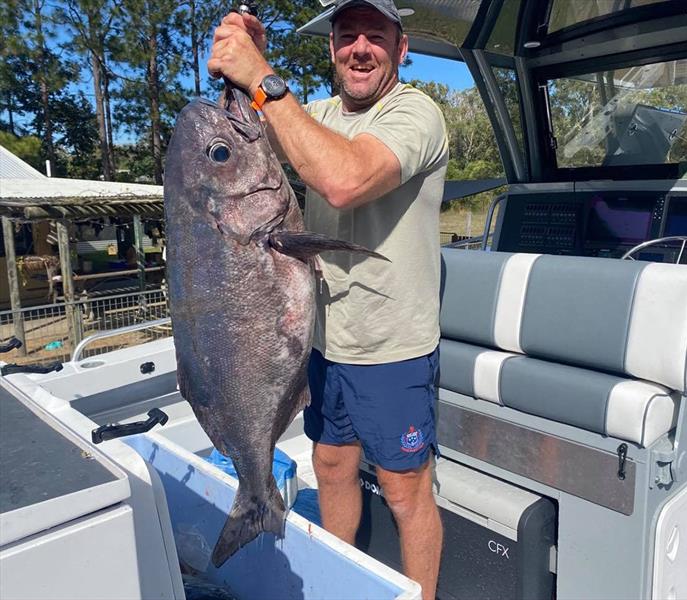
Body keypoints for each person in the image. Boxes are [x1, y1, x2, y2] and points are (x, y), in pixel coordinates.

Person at [208, 1, 447, 598]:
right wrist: (237, 69)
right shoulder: (309, 114)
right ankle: (342, 585)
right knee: (332, 469)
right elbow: (225, 147)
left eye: (376, 35)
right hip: (317, 342)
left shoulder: (415, 114)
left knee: (405, 490)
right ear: (333, 47)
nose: (359, 48)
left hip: (391, 346)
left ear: (401, 46)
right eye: (347, 35)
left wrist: (262, 75)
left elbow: (343, 179)